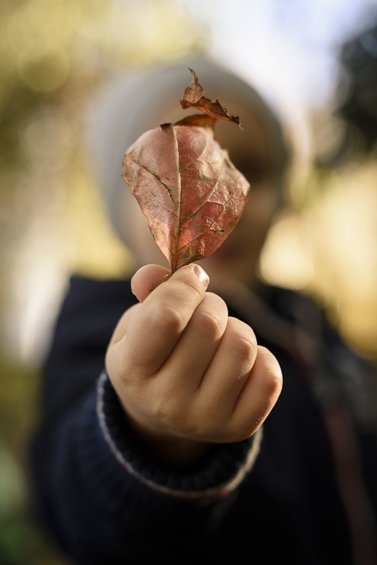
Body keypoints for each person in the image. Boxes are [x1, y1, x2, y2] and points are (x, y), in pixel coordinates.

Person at [28, 57, 377, 565]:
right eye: (176, 165)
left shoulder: (311, 323)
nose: (214, 193)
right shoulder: (98, 320)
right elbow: (72, 496)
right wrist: (148, 435)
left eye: (250, 167)